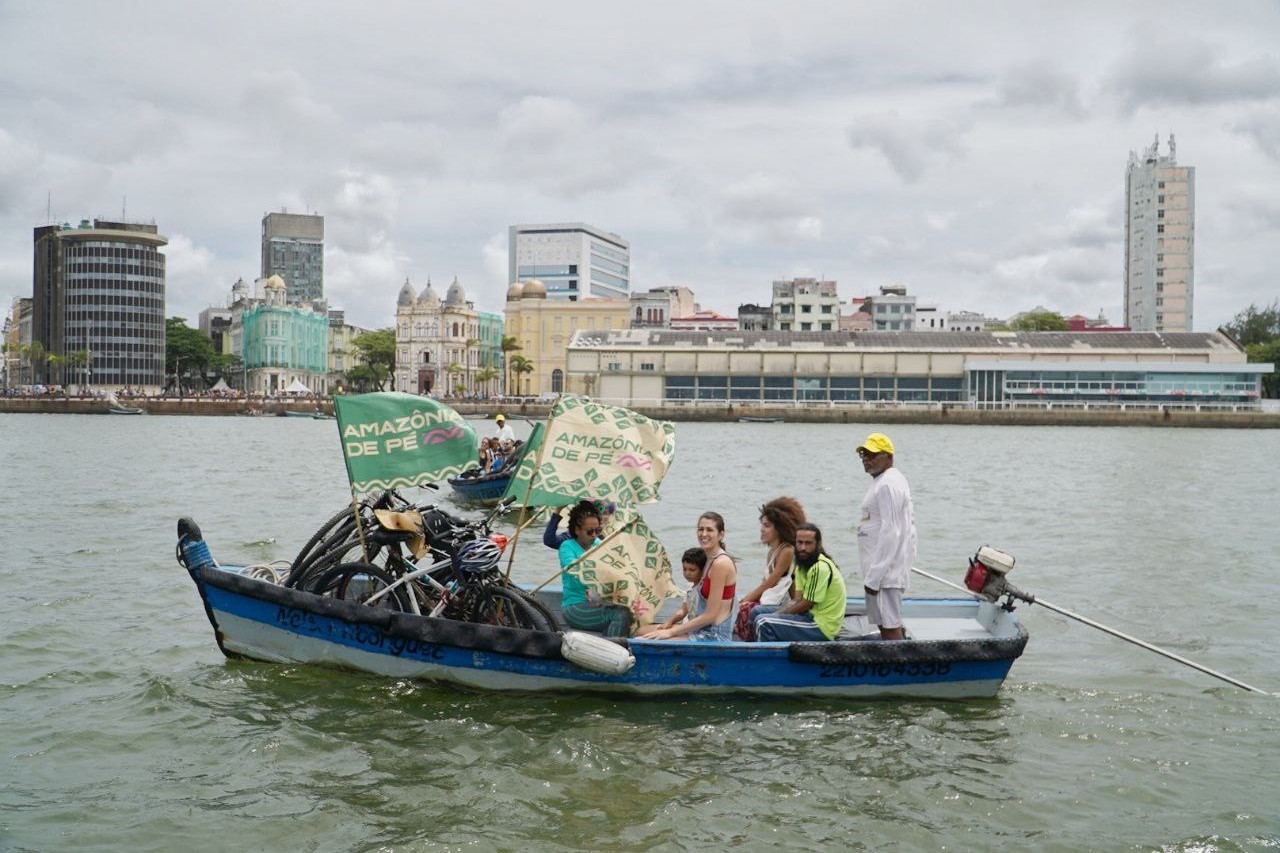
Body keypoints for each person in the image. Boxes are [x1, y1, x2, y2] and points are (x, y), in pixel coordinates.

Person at [855, 432, 917, 641]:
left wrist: (875, 577)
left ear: (888, 457)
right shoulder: (880, 482)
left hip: (884, 575)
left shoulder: (889, 483)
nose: (866, 458)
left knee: (890, 626)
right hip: (878, 572)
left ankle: (898, 660)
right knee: (883, 624)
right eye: (863, 454)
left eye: (872, 454)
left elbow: (893, 530)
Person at [640, 512, 737, 641]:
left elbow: (711, 616)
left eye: (709, 530)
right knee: (641, 630)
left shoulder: (721, 564)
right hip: (700, 628)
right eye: (701, 529)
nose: (703, 534)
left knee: (644, 639)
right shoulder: (708, 558)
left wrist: (671, 632)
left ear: (721, 535)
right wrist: (669, 624)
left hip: (713, 635)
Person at [751, 523, 847, 642]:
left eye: (808, 543)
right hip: (807, 615)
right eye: (799, 543)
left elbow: (806, 604)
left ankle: (766, 653)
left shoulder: (819, 567)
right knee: (756, 611)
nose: (803, 548)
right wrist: (778, 614)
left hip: (821, 625)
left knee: (763, 622)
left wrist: (778, 615)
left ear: (817, 544)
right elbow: (797, 599)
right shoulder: (801, 564)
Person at [735, 496, 805, 641]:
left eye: (767, 526)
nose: (762, 530)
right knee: (739, 606)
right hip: (772, 601)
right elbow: (764, 584)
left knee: (753, 610)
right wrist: (742, 601)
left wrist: (743, 602)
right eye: (762, 525)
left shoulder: (787, 551)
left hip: (788, 605)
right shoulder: (772, 552)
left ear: (779, 528)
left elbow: (770, 583)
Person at [559, 500, 632, 637]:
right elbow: (575, 570)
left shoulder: (598, 543)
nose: (594, 535)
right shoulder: (567, 547)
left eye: (597, 531)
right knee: (620, 614)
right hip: (575, 606)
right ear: (577, 530)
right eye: (589, 532)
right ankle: (612, 648)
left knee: (632, 610)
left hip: (600, 601)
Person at [654, 548, 708, 631]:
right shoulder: (690, 588)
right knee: (644, 630)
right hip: (687, 626)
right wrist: (669, 622)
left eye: (692, 570)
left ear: (702, 570)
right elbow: (683, 611)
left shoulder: (703, 588)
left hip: (696, 629)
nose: (687, 573)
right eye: (684, 569)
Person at [542, 500, 617, 550]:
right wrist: (557, 511)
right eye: (589, 532)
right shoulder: (574, 536)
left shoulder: (613, 534)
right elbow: (550, 541)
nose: (603, 517)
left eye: (607, 513)